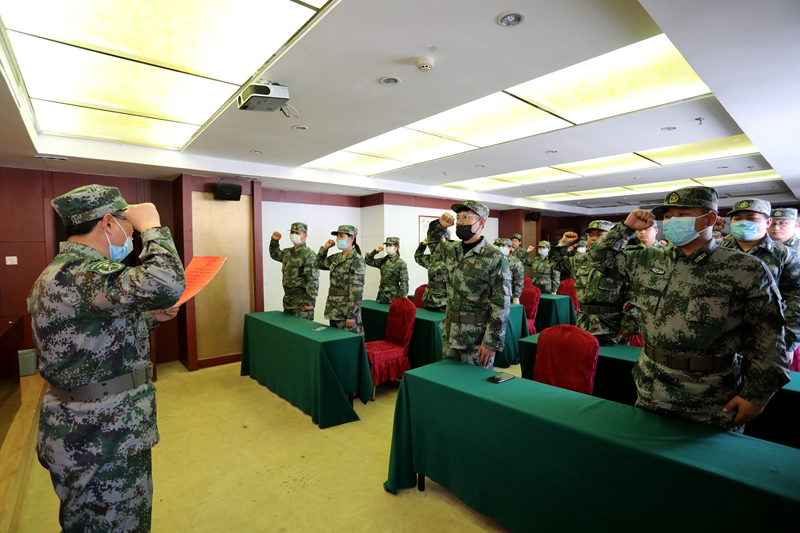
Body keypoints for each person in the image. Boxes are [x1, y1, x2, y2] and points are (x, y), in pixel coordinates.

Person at [27, 184, 186, 532]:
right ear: (109, 223)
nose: (132, 235)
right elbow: (167, 283)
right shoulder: (88, 272)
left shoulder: (61, 271)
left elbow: (85, 336)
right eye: (128, 227)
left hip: (81, 425)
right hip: (102, 434)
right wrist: (152, 227)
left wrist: (148, 317)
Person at [586, 186, 789, 430]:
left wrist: (756, 395)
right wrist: (626, 227)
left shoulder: (745, 267)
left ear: (710, 219)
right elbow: (597, 258)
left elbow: (769, 337)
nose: (672, 221)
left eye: (682, 215)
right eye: (668, 216)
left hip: (711, 395)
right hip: (651, 384)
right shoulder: (646, 259)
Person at [428, 200, 510, 368]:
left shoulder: (494, 257)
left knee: (474, 383)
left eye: (465, 217)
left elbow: (501, 304)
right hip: (451, 333)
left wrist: (491, 342)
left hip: (476, 339)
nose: (459, 222)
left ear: (481, 222)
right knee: (448, 379)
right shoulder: (451, 250)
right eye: (458, 217)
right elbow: (433, 244)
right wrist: (439, 226)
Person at [720, 199, 800, 355]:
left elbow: (796, 301)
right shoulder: (717, 250)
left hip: (767, 339)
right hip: (721, 336)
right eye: (737, 218)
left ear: (767, 222)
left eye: (751, 218)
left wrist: (787, 343)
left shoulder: (786, 256)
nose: (743, 222)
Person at [549, 221, 636, 346]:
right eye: (591, 235)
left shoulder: (623, 261)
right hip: (584, 322)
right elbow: (555, 263)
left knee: (609, 358)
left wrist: (629, 327)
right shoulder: (580, 259)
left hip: (611, 326)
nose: (594, 238)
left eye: (600, 234)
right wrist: (564, 244)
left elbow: (635, 297)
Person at [316, 224, 366, 337]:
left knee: (348, 341)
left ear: (352, 238)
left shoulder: (357, 260)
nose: (338, 239)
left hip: (346, 311)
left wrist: (352, 315)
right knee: (335, 339)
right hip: (333, 308)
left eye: (342, 236)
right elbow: (318, 264)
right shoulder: (336, 257)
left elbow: (356, 290)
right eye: (337, 236)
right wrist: (325, 248)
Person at [269, 222, 319, 320]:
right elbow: (274, 254)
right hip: (288, 299)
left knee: (301, 328)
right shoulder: (288, 253)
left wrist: (309, 303)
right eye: (292, 232)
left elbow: (313, 280)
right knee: (288, 327)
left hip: (301, 301)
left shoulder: (309, 255)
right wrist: (274, 241)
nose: (294, 235)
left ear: (305, 236)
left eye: (297, 233)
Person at [365, 236, 409, 303]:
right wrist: (375, 251)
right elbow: (368, 261)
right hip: (381, 295)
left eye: (390, 245)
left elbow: (404, 283)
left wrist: (400, 300)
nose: (388, 247)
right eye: (387, 245)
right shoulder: (383, 260)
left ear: (397, 247)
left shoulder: (401, 263)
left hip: (393, 296)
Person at [414, 238, 447, 312]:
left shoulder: (451, 258)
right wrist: (423, 245)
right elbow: (418, 257)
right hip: (429, 298)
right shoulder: (431, 259)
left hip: (443, 300)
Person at [494, 238, 524, 304]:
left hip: (508, 295)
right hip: (494, 294)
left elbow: (519, 280)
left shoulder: (516, 262)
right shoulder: (494, 260)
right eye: (499, 246)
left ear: (510, 248)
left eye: (503, 246)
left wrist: (516, 297)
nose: (500, 248)